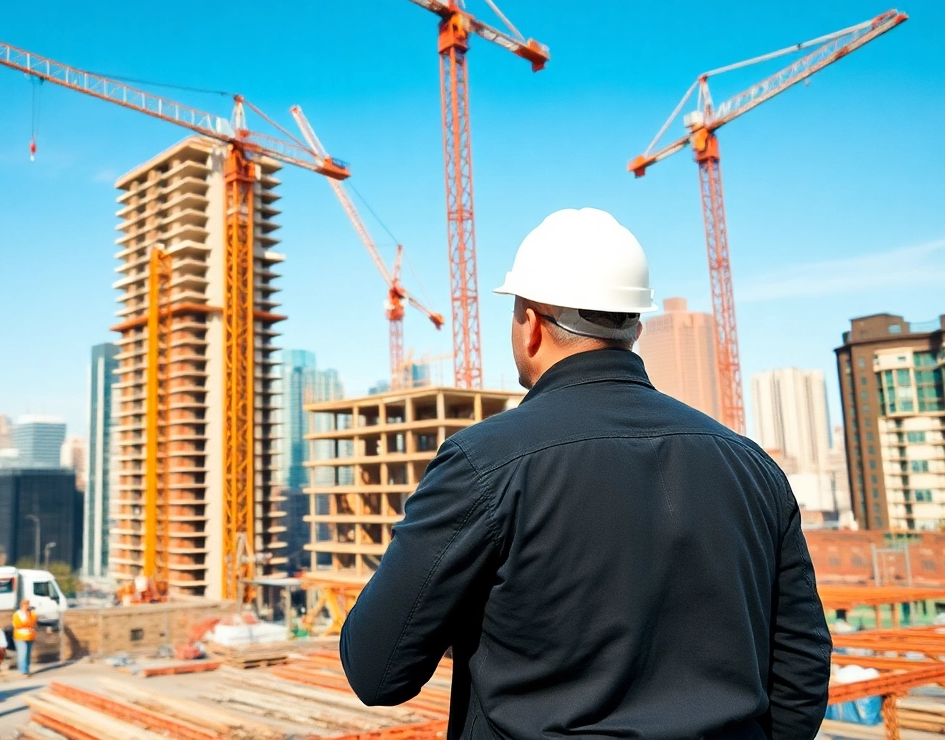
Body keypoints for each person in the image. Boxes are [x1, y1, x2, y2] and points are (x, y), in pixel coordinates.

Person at [339, 208, 832, 739]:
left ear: (530, 323)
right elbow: (801, 670)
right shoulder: (750, 465)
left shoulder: (483, 465)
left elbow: (377, 671)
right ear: (635, 325)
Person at [11, 599, 38, 675]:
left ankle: (26, 668)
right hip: (20, 637)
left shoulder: (32, 614)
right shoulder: (17, 614)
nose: (27, 607)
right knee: (23, 653)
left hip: (30, 636)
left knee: (27, 654)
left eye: (28, 605)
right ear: (22, 606)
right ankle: (23, 671)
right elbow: (17, 624)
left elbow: (33, 622)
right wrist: (27, 623)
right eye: (26, 605)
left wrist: (30, 613)